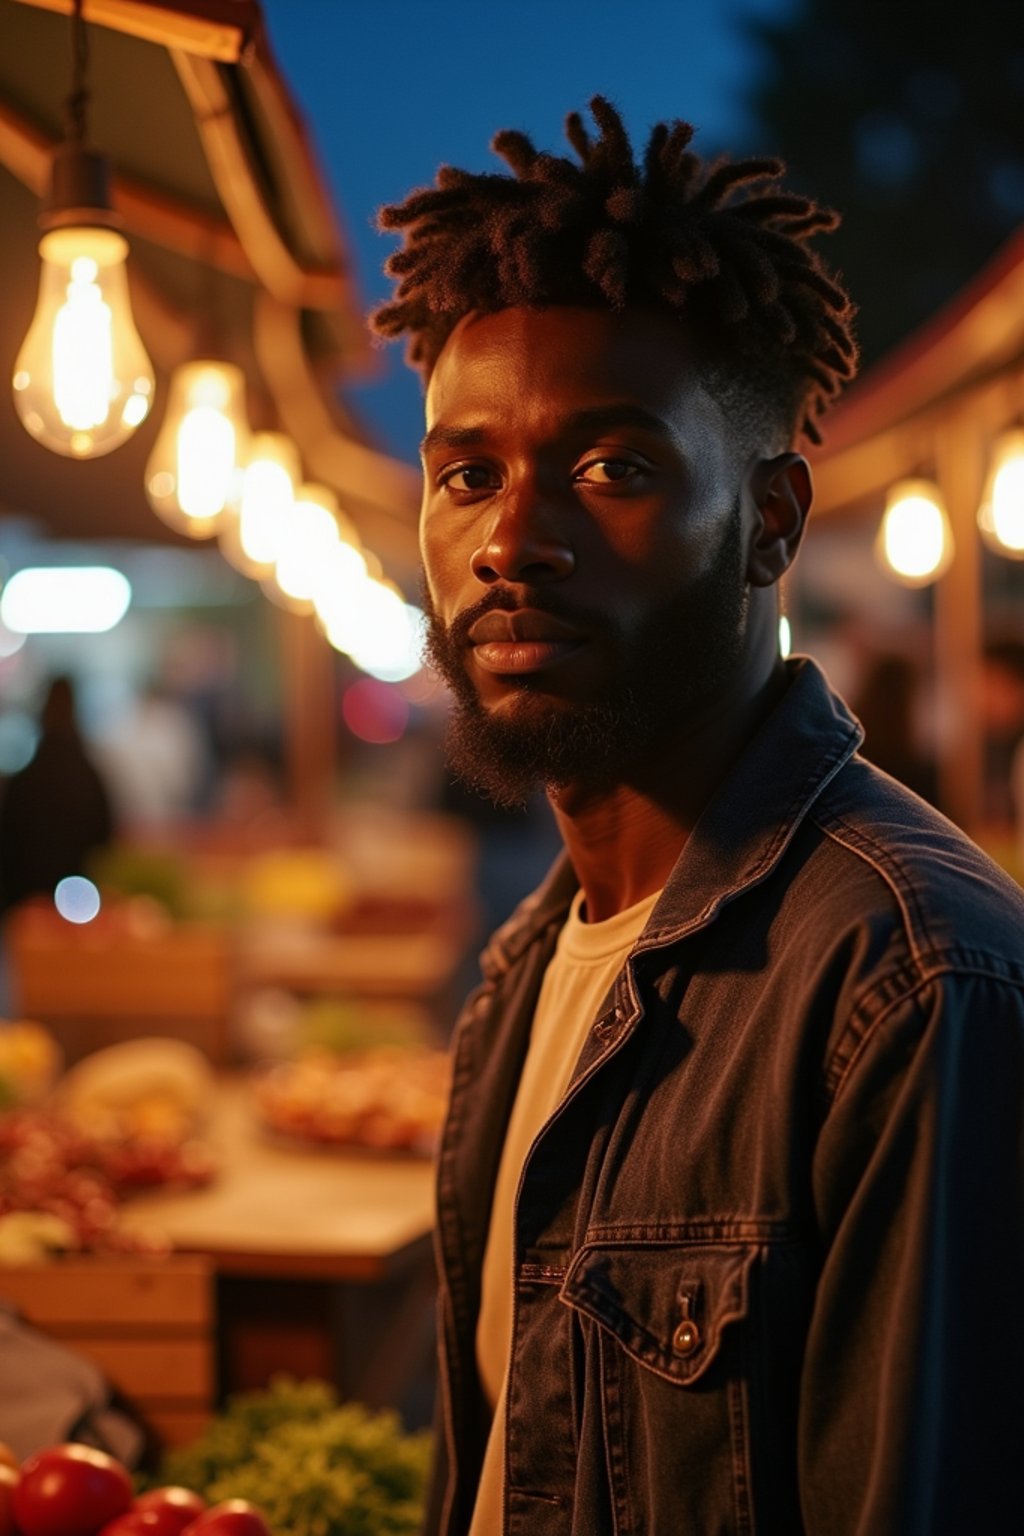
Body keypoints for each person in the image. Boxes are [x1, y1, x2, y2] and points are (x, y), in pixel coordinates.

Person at [373, 98, 1024, 1534]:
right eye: (465, 473)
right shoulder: (525, 969)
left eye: (613, 467)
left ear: (772, 522)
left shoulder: (913, 980)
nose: (509, 541)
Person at [0, 675, 114, 913]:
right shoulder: (88, 773)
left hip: (27, 898)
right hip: (79, 898)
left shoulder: (27, 776)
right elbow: (105, 835)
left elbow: (8, 836)